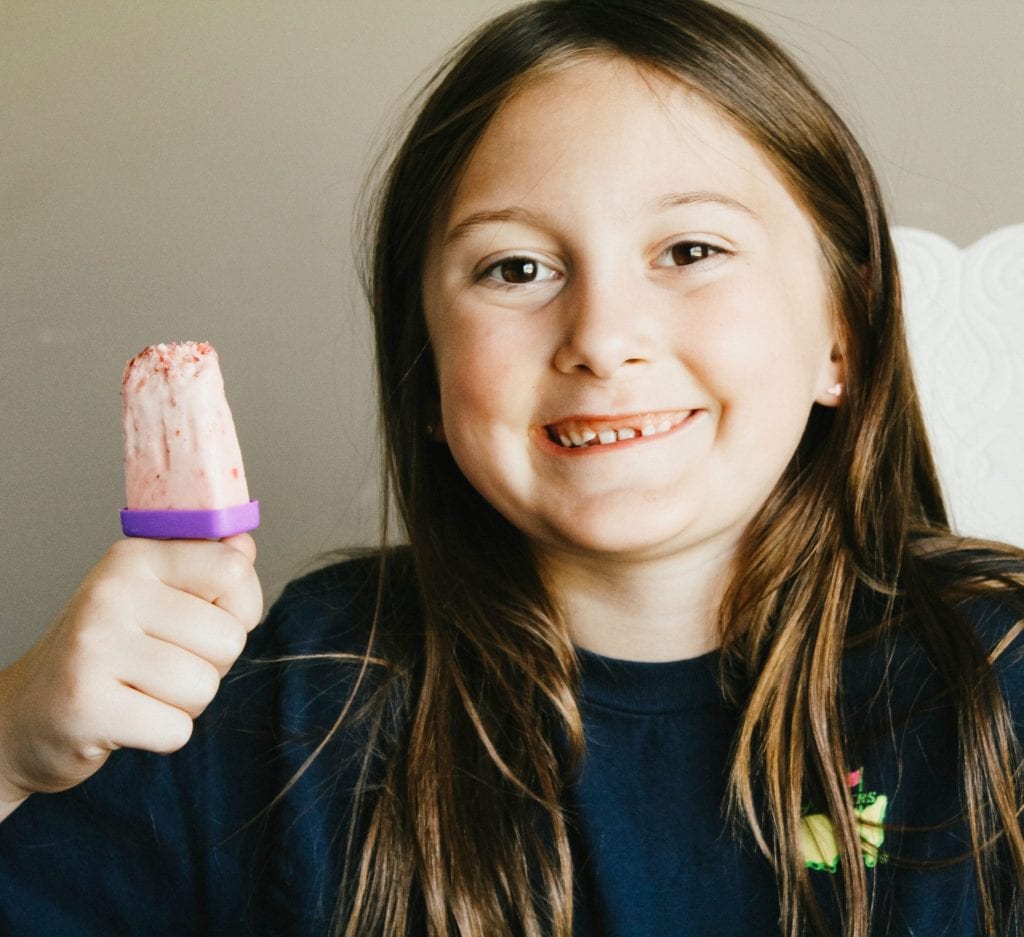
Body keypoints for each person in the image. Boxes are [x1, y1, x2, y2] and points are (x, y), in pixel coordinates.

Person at [1, 0, 1023, 934]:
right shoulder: (298, 694)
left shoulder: (999, 678)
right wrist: (11, 744)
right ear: (429, 369)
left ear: (839, 336)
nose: (603, 336)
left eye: (691, 250)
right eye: (515, 268)